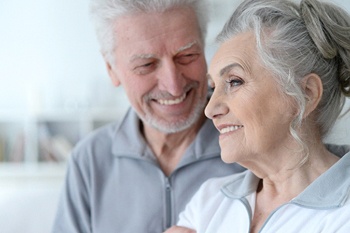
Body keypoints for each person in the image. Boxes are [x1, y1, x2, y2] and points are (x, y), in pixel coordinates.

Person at [51, 0, 245, 232]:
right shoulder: (89, 162)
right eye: (147, 64)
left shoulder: (250, 145)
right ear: (112, 70)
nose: (173, 86)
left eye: (187, 55)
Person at [165, 0, 350, 232]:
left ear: (306, 93)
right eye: (214, 88)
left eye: (234, 82)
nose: (210, 109)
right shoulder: (210, 200)